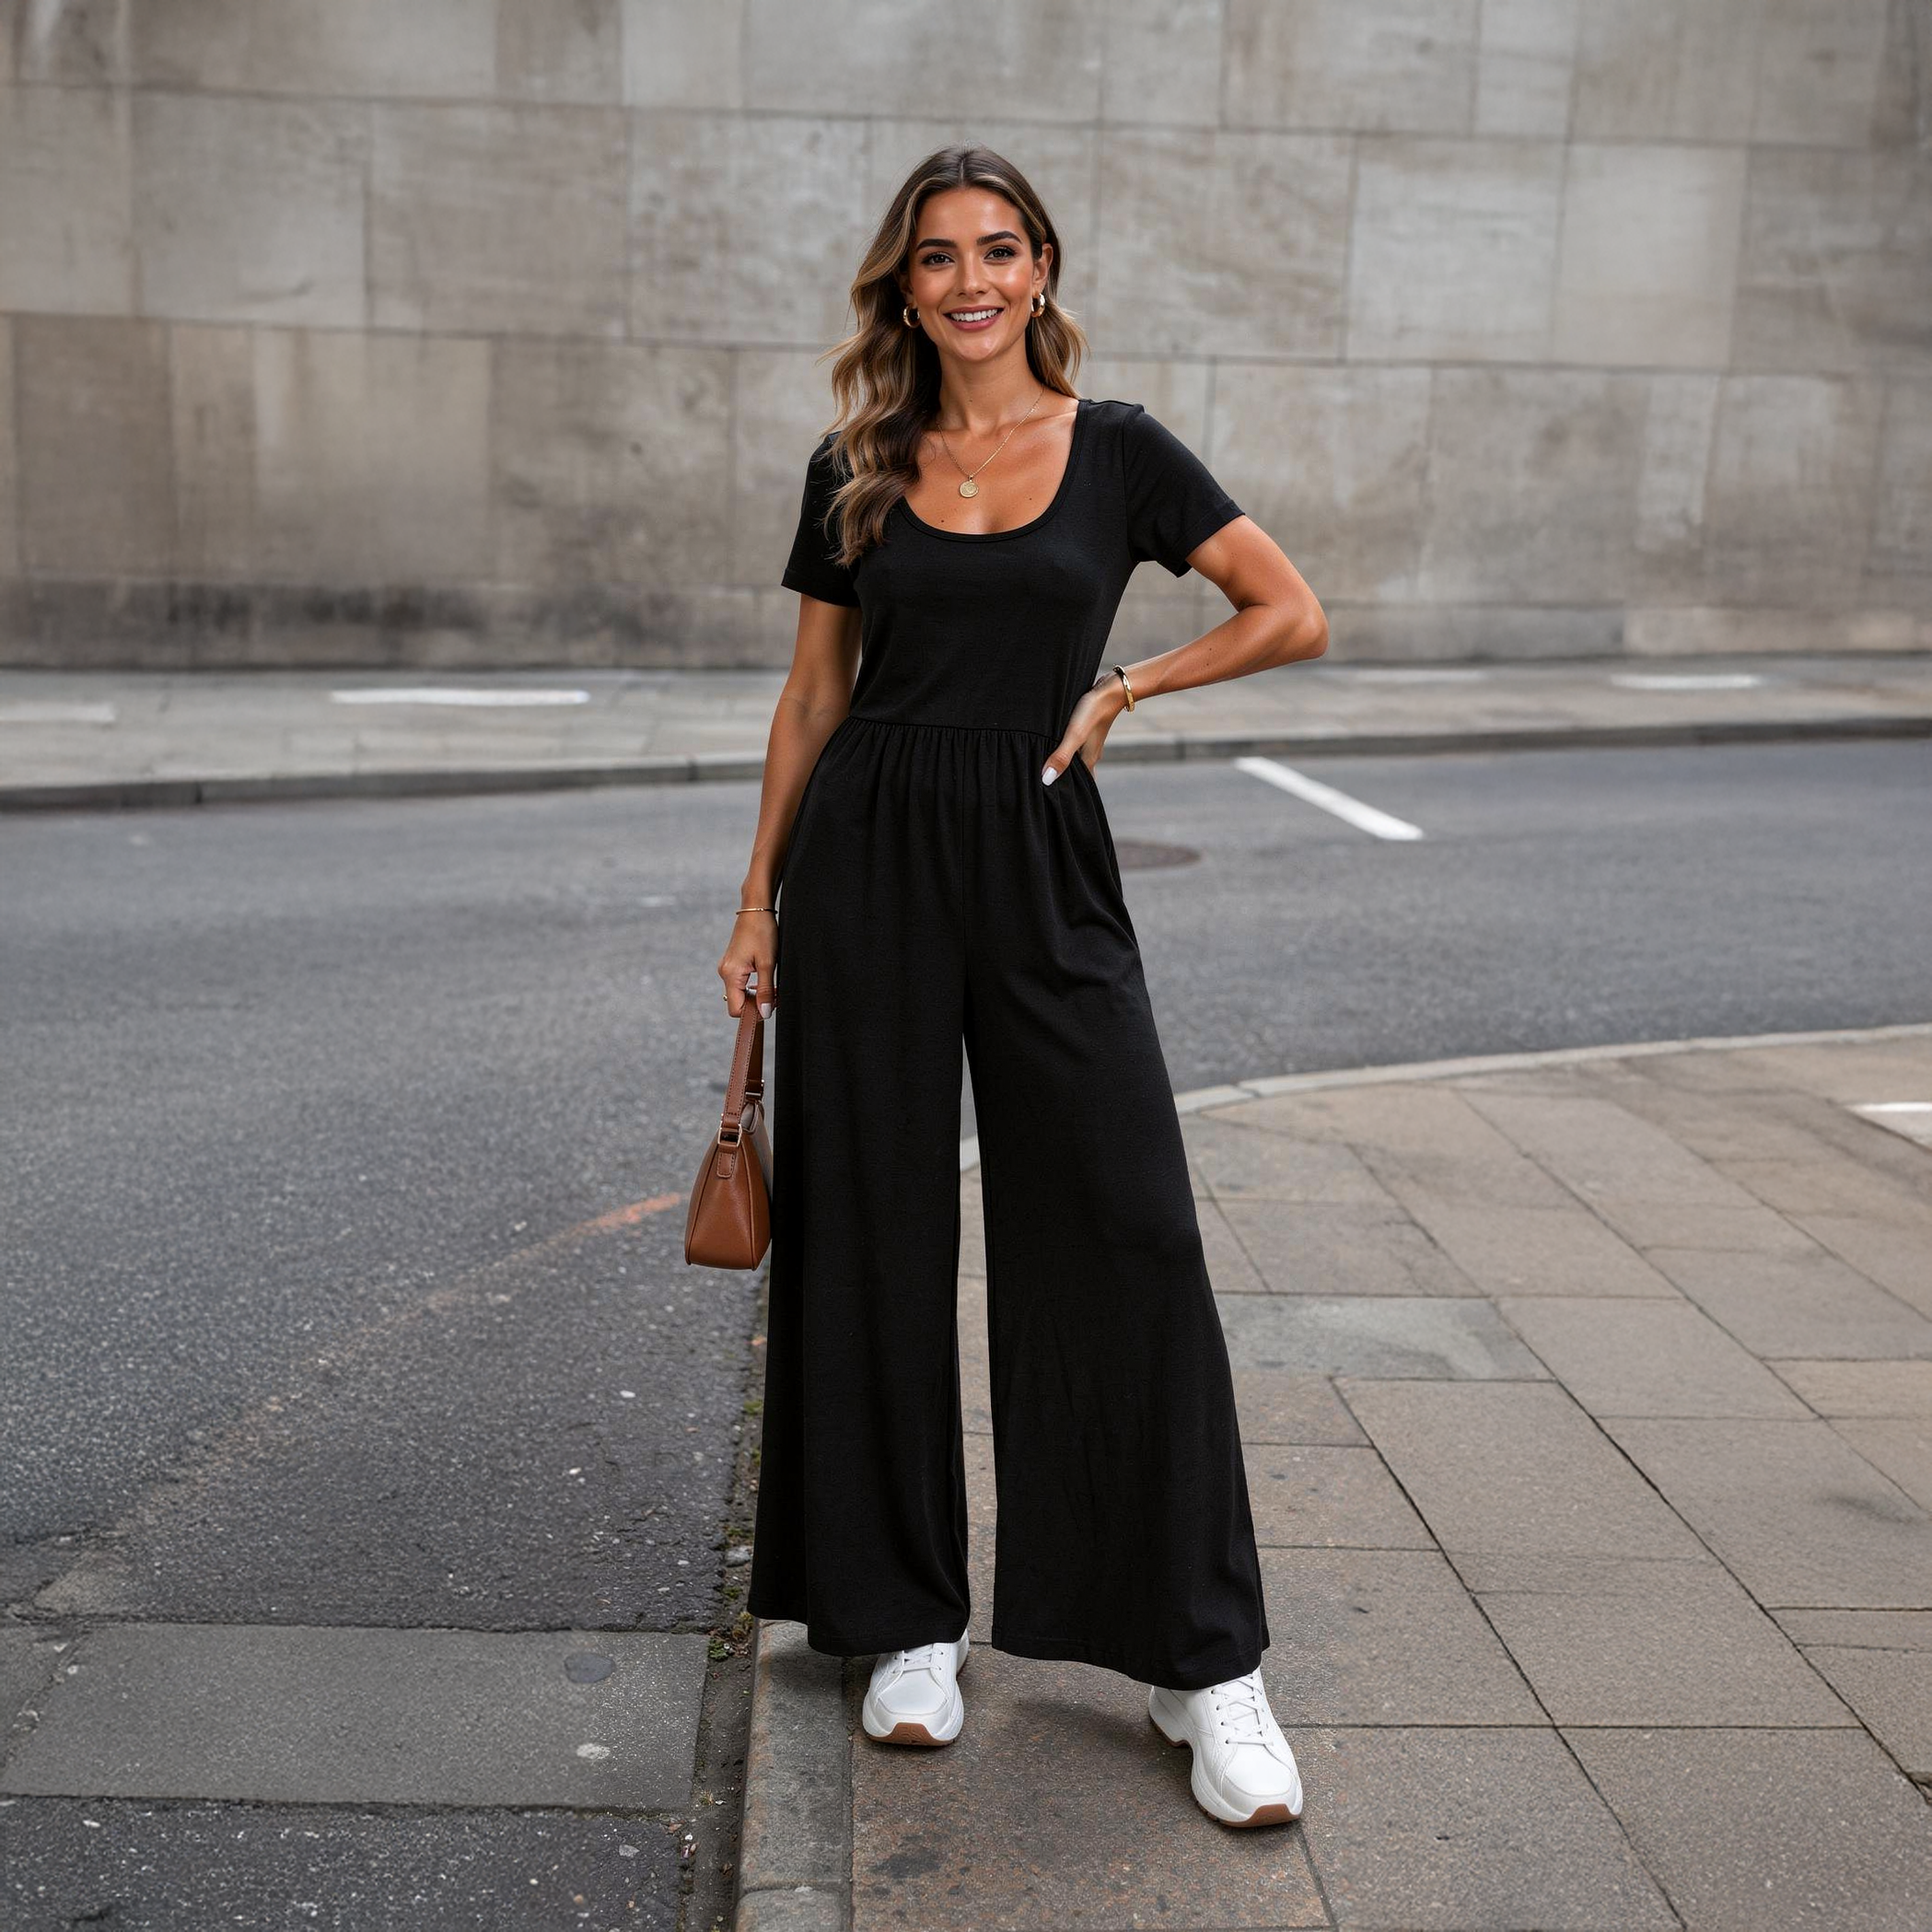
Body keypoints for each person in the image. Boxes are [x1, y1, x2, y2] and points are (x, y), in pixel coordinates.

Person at [716, 145, 1328, 1829]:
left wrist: (1129, 681)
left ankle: (1203, 1664)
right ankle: (900, 1621)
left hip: (1044, 855)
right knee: (870, 1228)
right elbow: (811, 695)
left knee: (1125, 1224)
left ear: (1041, 268)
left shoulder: (1119, 449)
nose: (968, 278)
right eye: (936, 256)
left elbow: (1289, 611)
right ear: (901, 285)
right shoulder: (856, 462)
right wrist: (756, 897)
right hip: (870, 863)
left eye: (997, 249)